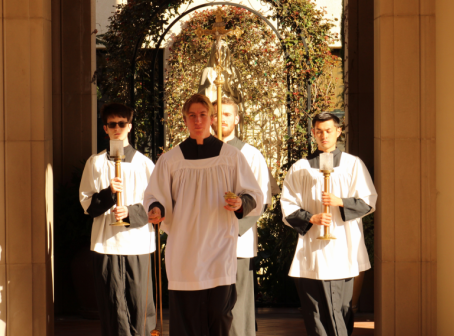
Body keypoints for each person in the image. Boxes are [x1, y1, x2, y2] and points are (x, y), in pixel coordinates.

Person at [144, 94, 263, 336]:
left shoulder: (231, 157)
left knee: (219, 315)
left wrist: (240, 203)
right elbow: (154, 196)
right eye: (192, 116)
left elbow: (254, 195)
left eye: (202, 115)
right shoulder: (170, 160)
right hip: (184, 250)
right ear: (185, 120)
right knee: (186, 320)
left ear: (210, 119)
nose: (197, 120)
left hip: (220, 246)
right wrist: (157, 209)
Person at [281, 112, 377, 336]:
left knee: (341, 308)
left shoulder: (353, 165)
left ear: (338, 131)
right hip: (313, 248)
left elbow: (369, 201)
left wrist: (340, 202)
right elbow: (287, 204)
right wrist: (311, 218)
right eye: (319, 131)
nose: (324, 135)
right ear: (313, 133)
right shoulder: (301, 168)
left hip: (343, 246)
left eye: (329, 130)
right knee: (315, 311)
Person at [79, 103, 156, 336]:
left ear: (130, 126)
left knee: (140, 307)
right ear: (105, 128)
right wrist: (109, 194)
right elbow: (87, 205)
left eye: (122, 123)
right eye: (112, 124)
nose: (117, 128)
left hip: (138, 244)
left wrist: (130, 213)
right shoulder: (96, 163)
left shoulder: (145, 164)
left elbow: (157, 205)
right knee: (113, 307)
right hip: (107, 245)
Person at [211, 98, 272, 336]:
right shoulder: (199, 153)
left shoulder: (250, 154)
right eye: (216, 114)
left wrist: (231, 229)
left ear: (236, 119)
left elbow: (261, 199)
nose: (221, 119)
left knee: (238, 305)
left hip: (238, 240)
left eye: (227, 114)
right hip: (206, 241)